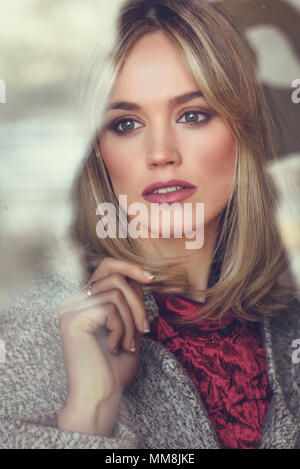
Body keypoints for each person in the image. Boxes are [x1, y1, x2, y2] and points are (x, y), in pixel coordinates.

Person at [0, 0, 299, 450]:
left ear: (243, 135)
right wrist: (91, 411)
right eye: (126, 123)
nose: (160, 152)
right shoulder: (31, 333)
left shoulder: (289, 324)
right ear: (99, 153)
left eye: (193, 115)